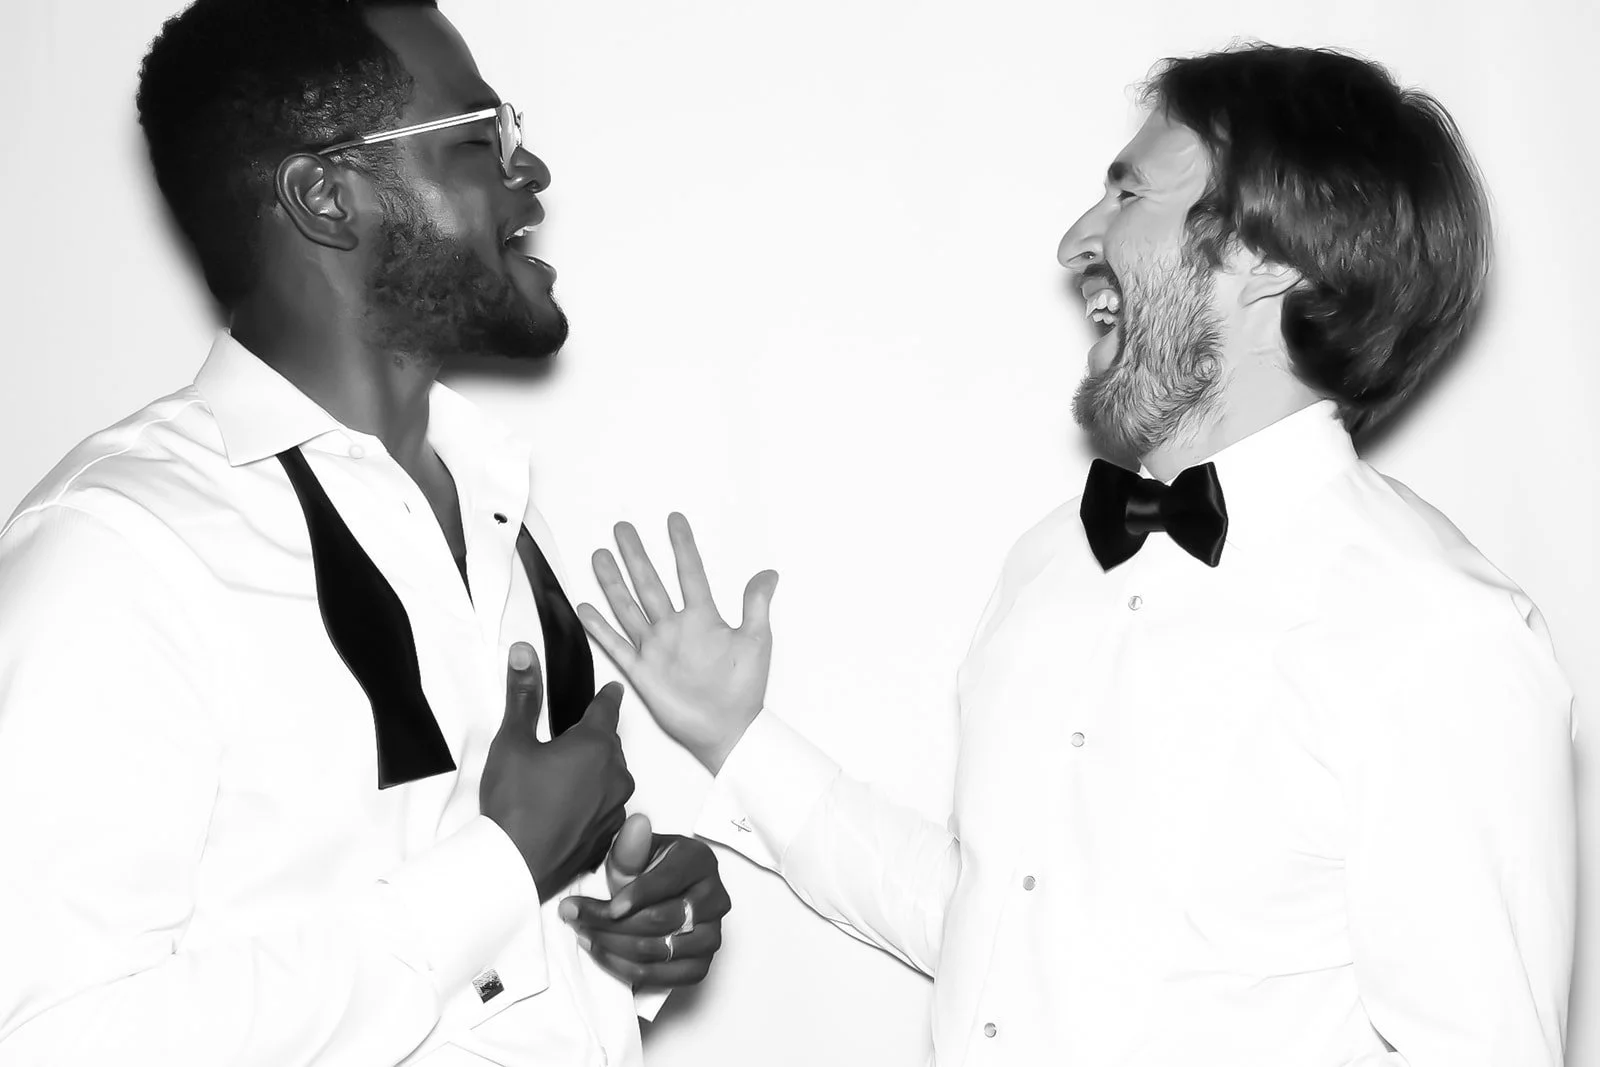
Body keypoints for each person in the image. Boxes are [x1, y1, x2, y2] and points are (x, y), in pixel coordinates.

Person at [574, 44, 1578, 1067]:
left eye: (1128, 191)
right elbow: (995, 930)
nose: (1073, 242)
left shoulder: (1436, 632)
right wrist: (740, 742)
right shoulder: (1050, 563)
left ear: (1271, 250)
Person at [0, 1, 728, 1063]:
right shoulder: (121, 550)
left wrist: (624, 921)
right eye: (482, 139)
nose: (534, 175)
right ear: (326, 195)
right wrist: (501, 865)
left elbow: (472, 938)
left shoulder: (488, 502)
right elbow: (49, 1035)